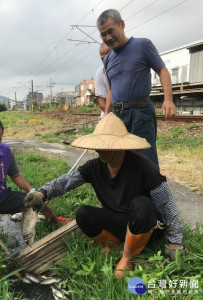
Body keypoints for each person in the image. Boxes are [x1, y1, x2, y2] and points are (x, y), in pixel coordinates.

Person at [24, 113, 183, 277]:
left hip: (144, 225)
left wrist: (175, 242)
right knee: (83, 213)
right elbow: (65, 182)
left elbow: (167, 206)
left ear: (120, 145)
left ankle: (127, 257)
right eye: (99, 145)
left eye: (107, 146)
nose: (101, 150)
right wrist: (42, 193)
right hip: (119, 221)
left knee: (140, 204)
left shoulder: (143, 167)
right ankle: (114, 245)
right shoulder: (94, 167)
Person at [96, 9, 176, 168]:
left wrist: (168, 99)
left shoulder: (142, 45)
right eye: (103, 35)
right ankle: (127, 193)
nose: (108, 38)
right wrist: (106, 113)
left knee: (145, 161)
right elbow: (112, 88)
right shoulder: (109, 58)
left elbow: (162, 70)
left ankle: (152, 193)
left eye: (110, 31)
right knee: (119, 160)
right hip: (117, 115)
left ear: (122, 24)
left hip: (140, 113)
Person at [95, 42, 112, 118]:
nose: (105, 61)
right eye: (102, 59)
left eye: (108, 57)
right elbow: (102, 103)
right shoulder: (100, 73)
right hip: (108, 114)